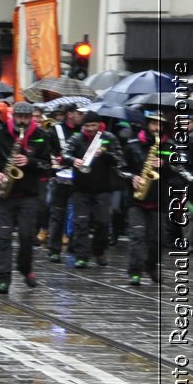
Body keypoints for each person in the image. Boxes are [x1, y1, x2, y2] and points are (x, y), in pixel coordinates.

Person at [0, 100, 50, 293]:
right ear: (13, 117)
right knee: (2, 237)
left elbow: (47, 164)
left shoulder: (40, 136)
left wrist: (30, 162)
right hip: (5, 194)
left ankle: (25, 267)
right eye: (20, 117)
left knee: (27, 236)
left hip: (29, 194)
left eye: (26, 117)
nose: (23, 121)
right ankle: (3, 278)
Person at [64, 110, 124, 268]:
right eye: (87, 125)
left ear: (99, 125)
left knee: (103, 223)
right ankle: (81, 255)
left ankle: (99, 251)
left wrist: (105, 154)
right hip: (80, 188)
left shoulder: (109, 138)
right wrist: (73, 160)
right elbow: (65, 153)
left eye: (93, 125)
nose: (90, 129)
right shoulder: (77, 138)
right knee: (81, 223)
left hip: (103, 188)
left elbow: (119, 159)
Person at [125, 111, 170, 285]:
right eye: (153, 124)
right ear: (147, 124)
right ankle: (134, 272)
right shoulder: (133, 145)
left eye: (160, 125)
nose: (157, 128)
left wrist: (165, 165)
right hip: (137, 200)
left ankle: (151, 266)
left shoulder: (168, 146)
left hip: (159, 199)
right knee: (137, 236)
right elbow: (121, 168)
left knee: (157, 239)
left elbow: (178, 171)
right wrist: (132, 177)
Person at [46, 103, 85, 261]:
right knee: (58, 214)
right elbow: (47, 150)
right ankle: (54, 249)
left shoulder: (83, 131)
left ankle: (74, 245)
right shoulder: (55, 130)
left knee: (79, 214)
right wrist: (53, 159)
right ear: (70, 114)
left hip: (80, 177)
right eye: (79, 113)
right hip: (60, 177)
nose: (81, 117)